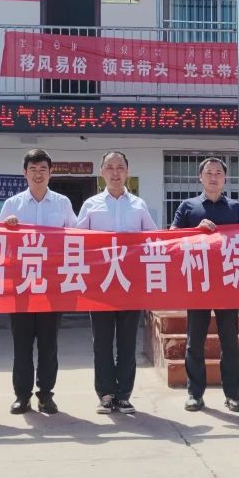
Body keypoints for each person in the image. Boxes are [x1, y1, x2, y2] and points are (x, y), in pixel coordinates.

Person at [0, 148, 78, 415]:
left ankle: (46, 395)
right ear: (24, 173)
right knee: (21, 345)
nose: (38, 174)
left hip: (51, 285)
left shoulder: (62, 203)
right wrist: (7, 227)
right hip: (21, 284)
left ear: (50, 172)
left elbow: (77, 236)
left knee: (48, 344)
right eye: (33, 169)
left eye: (43, 169)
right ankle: (22, 396)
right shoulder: (12, 204)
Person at [76, 151, 156, 415]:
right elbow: (76, 240)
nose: (115, 172)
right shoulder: (91, 205)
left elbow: (153, 238)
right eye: (109, 167)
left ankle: (123, 395)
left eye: (120, 167)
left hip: (130, 284)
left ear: (127, 172)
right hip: (100, 285)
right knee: (101, 342)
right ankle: (106, 394)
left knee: (127, 341)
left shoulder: (139, 205)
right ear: (101, 172)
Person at [171, 157, 239, 413]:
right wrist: (195, 230)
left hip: (228, 283)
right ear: (200, 177)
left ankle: (233, 394)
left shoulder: (235, 208)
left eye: (218, 173)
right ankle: (195, 394)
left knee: (230, 341)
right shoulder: (188, 206)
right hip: (198, 282)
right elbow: (172, 239)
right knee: (195, 341)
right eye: (209, 173)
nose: (214, 177)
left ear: (225, 178)